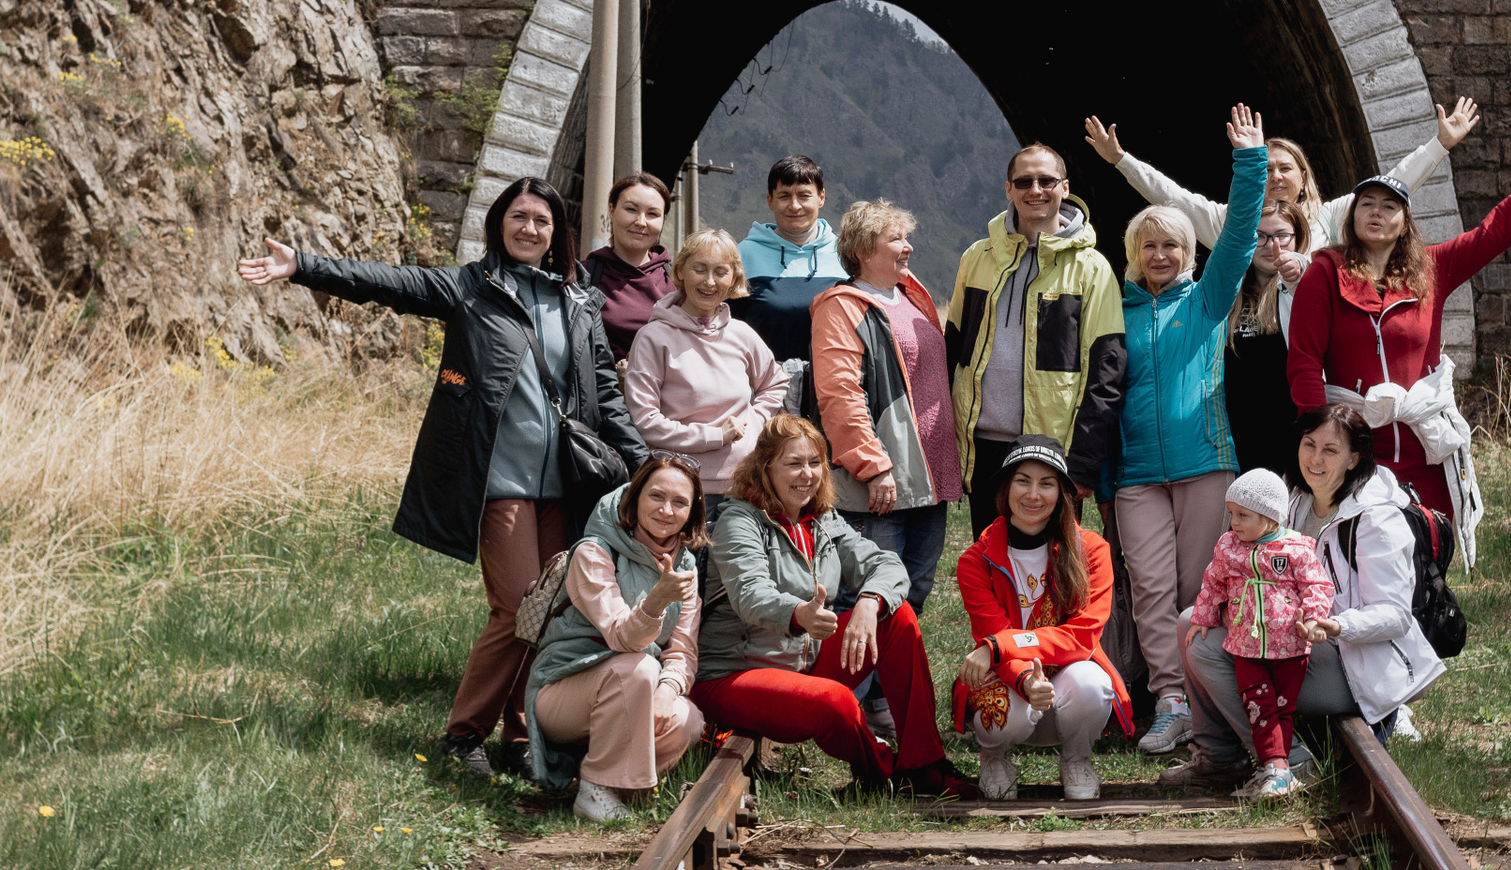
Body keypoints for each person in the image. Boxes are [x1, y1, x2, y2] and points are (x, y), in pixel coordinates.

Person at [236, 177, 647, 778]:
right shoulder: (470, 288)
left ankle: (522, 734)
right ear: (499, 223)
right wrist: (302, 265)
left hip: (565, 482)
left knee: (555, 609)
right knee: (518, 607)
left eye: (542, 220)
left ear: (558, 232)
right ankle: (463, 735)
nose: (529, 228)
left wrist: (646, 469)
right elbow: (387, 282)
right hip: (500, 480)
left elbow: (606, 395)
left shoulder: (579, 303)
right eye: (519, 216)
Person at [1288, 119, 1511, 553]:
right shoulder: (1324, 273)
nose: (1376, 212)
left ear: (1405, 222)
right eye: (1366, 204)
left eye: (1389, 206)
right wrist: (1322, 438)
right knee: (1358, 559)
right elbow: (1303, 361)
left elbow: (1496, 231)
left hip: (1424, 446)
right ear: (1351, 217)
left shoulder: (1432, 269)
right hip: (1354, 446)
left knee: (1427, 555)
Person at [1098, 104, 1267, 758]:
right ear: (1134, 255)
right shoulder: (1114, 310)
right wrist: (1103, 477)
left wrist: (1250, 162)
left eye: (1172, 244)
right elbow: (1101, 397)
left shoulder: (1205, 301)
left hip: (1205, 465)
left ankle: (1203, 702)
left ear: (1189, 253)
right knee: (1149, 588)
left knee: (1200, 589)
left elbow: (1241, 235)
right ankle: (1169, 701)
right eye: (1150, 245)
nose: (1161, 254)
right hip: (1137, 475)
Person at [691, 415, 978, 798]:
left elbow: (885, 564)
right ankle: (883, 772)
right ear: (765, 467)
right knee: (836, 702)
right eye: (793, 463)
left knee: (898, 618)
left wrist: (869, 602)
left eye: (815, 462)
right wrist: (799, 614)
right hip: (734, 673)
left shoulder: (821, 519)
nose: (807, 474)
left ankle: (923, 764)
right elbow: (750, 595)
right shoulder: (740, 522)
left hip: (803, 661)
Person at [1163, 405, 1445, 788]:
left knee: (1205, 647)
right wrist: (1233, 606)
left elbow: (1396, 616)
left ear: (1354, 458)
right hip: (1292, 642)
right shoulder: (1293, 500)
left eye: (1330, 450)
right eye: (1309, 444)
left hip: (1355, 664)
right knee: (1191, 625)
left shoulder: (1377, 519)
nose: (1315, 458)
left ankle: (1287, 763)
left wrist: (1336, 625)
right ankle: (1220, 757)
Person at [948, 142, 1126, 535]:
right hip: (982, 446)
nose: (1035, 190)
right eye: (1024, 181)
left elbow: (1106, 372)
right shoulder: (977, 257)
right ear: (1007, 189)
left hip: (1051, 449)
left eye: (1046, 180)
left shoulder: (1092, 268)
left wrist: (1083, 462)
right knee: (990, 560)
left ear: (1065, 187)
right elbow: (954, 350)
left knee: (1053, 565)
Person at [525, 455, 708, 821]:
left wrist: (667, 691)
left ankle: (616, 787)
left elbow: (682, 652)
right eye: (656, 496)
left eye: (680, 502)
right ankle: (595, 789)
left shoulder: (685, 566)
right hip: (563, 691)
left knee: (687, 719)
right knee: (638, 668)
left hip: (630, 690)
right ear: (635, 496)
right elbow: (623, 637)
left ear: (692, 513)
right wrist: (656, 600)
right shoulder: (594, 552)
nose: (666, 510)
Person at [953, 438, 1132, 801]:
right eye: (1023, 481)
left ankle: (1077, 757)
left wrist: (999, 646)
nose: (1033, 495)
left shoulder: (1092, 551)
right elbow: (992, 630)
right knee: (1007, 710)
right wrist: (1025, 681)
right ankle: (994, 756)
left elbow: (1082, 637)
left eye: (1046, 484)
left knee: (1092, 684)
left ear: (1062, 494)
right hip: (1009, 683)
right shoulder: (975, 560)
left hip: (1067, 686)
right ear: (1006, 488)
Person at [810, 200, 962, 612]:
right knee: (867, 598)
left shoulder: (911, 297)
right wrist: (873, 466)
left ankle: (898, 661)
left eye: (906, 237)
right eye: (896, 239)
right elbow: (840, 394)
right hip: (880, 484)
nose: (908, 246)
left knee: (913, 596)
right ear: (863, 250)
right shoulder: (841, 306)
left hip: (928, 480)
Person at [1083, 97, 1482, 252]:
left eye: (1285, 168)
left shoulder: (1331, 216)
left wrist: (1440, 144)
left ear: (1303, 179)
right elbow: (1173, 197)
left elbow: (1394, 182)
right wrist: (1121, 160)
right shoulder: (1231, 222)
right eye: (1267, 168)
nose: (1275, 176)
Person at [1184, 468, 1334, 799]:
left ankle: (1278, 770)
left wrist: (1313, 619)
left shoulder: (1295, 549)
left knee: (1281, 707)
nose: (1234, 523)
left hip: (1290, 648)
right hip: (1246, 647)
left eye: (1243, 516)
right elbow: (1213, 581)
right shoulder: (1229, 547)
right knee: (1258, 706)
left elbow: (1317, 586)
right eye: (1232, 514)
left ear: (1269, 518)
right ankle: (1277, 769)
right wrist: (1204, 616)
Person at [623, 229, 790, 515]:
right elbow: (646, 421)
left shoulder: (741, 333)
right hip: (679, 491)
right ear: (680, 272)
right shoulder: (653, 338)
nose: (709, 281)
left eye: (720, 272)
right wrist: (715, 436)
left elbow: (775, 382)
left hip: (746, 488)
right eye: (699, 269)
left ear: (734, 279)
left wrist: (755, 422)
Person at [1224, 200, 1313, 478]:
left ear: (1298, 239)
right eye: (1260, 236)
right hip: (1237, 439)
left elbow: (1312, 272)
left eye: (1281, 235)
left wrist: (1299, 269)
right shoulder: (1229, 293)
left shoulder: (1305, 288)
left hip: (1292, 436)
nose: (1271, 245)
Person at [733, 155, 847, 363]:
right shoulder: (742, 256)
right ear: (770, 200)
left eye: (804, 196)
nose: (795, 206)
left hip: (834, 381)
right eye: (784, 196)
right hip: (760, 382)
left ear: (821, 197)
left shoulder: (846, 254)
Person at [581, 172, 674, 363]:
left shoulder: (678, 281)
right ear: (612, 210)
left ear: (663, 219)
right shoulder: (582, 276)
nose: (641, 222)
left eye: (652, 214)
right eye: (631, 209)